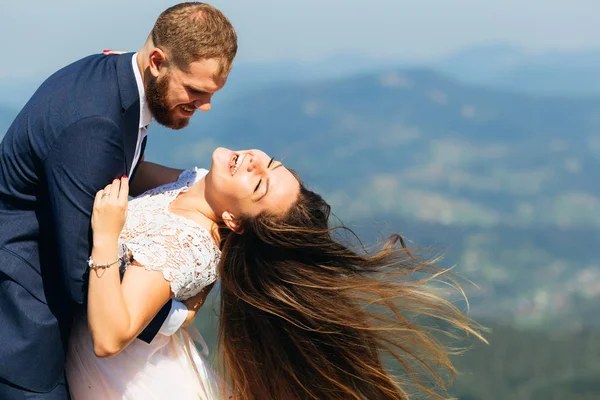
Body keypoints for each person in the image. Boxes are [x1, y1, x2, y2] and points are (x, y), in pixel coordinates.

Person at [71, 147, 485, 400]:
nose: (253, 163)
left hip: (113, 382)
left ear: (234, 221)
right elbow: (128, 166)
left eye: (258, 183)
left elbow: (110, 337)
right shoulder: (195, 183)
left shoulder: (188, 244)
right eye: (269, 163)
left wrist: (105, 236)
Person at [0, 3, 237, 399]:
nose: (205, 105)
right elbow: (82, 273)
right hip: (26, 321)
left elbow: (127, 169)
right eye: (195, 91)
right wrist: (175, 313)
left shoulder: (116, 78)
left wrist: (199, 189)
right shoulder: (95, 125)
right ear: (158, 61)